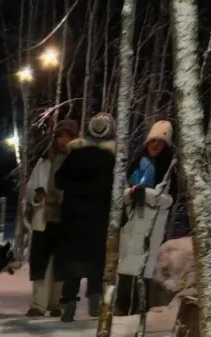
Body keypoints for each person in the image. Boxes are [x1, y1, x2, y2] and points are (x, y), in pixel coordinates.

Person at [54, 111, 116, 322]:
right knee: (95, 262)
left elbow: (59, 180)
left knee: (72, 262)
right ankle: (95, 303)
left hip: (73, 219)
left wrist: (74, 190)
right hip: (97, 219)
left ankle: (69, 305)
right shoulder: (110, 159)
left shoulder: (75, 155)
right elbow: (113, 190)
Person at [117, 120, 179, 314]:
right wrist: (130, 194)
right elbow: (121, 192)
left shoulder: (168, 170)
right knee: (125, 265)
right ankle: (121, 305)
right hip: (132, 220)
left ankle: (138, 309)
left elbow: (169, 200)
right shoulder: (135, 164)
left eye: (160, 142)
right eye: (152, 141)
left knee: (144, 267)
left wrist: (148, 194)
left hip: (152, 224)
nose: (155, 145)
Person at [24, 118, 80, 316]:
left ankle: (57, 303)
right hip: (44, 216)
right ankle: (38, 303)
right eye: (60, 136)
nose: (63, 140)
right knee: (41, 261)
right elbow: (31, 187)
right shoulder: (44, 160)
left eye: (67, 136)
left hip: (66, 217)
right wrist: (36, 196)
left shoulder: (79, 162)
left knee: (61, 262)